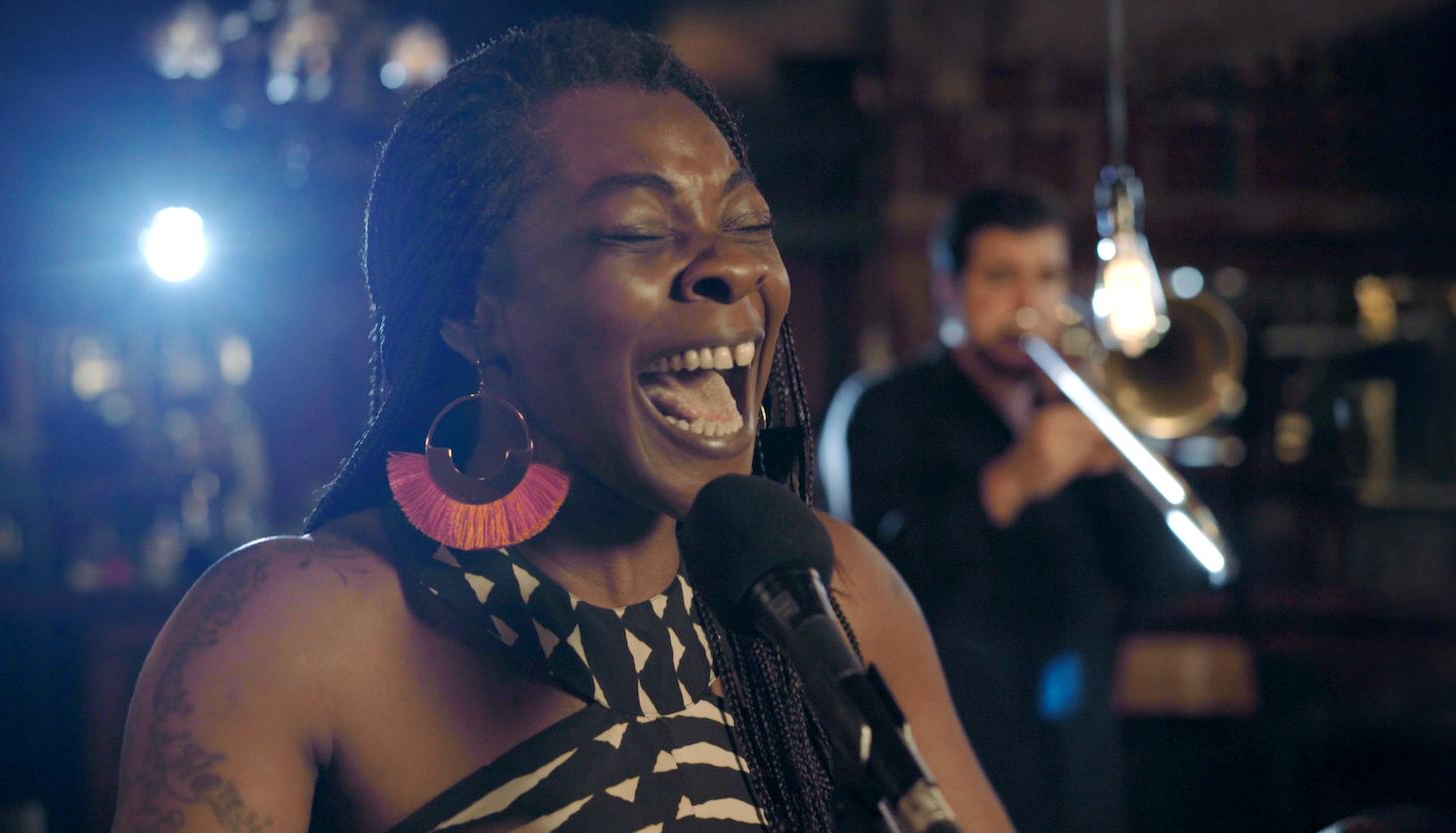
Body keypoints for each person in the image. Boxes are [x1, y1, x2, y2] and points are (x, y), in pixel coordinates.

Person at [110, 20, 1013, 833]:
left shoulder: (832, 591)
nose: (731, 269)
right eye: (636, 229)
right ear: (472, 311)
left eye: (747, 222)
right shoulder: (286, 631)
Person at [821, 189, 1202, 833]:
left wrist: (1124, 466)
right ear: (947, 287)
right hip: (940, 777)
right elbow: (869, 587)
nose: (1028, 302)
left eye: (1047, 276)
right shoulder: (883, 408)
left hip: (1079, 780)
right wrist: (1014, 479)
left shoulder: (1081, 409)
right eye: (1001, 276)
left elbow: (1169, 575)